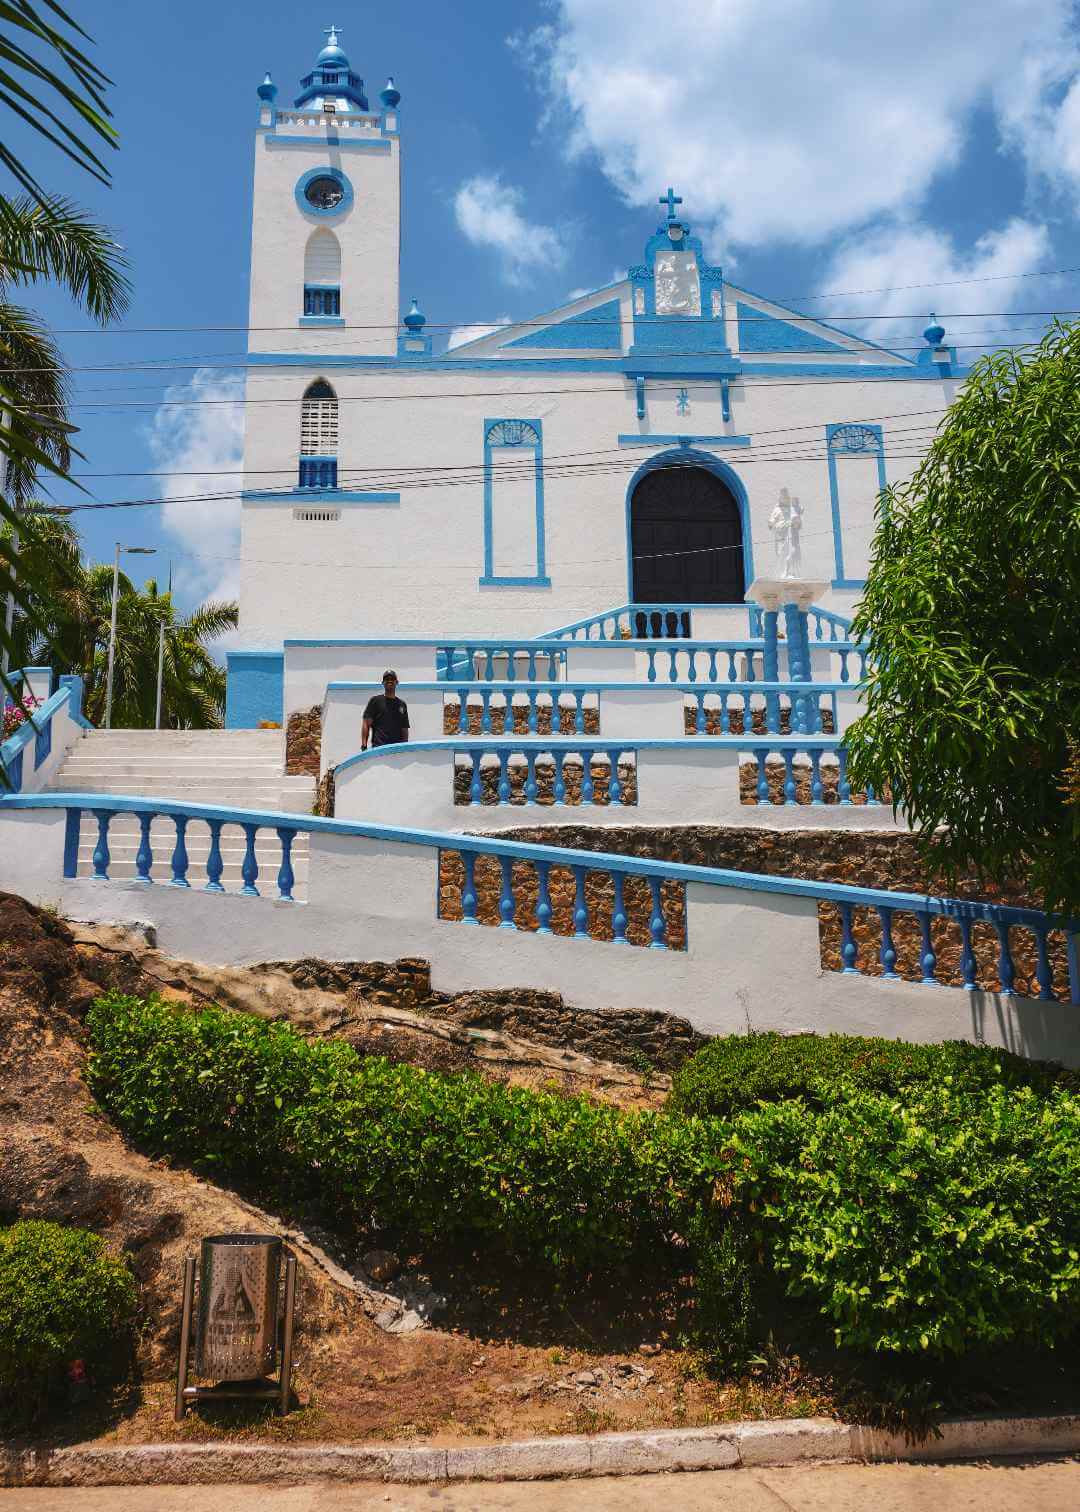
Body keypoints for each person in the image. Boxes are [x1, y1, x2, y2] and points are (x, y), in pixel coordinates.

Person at [362, 670, 410, 750]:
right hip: (379, 749)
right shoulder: (375, 701)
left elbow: (404, 729)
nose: (390, 681)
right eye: (387, 679)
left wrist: (404, 748)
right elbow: (366, 723)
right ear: (383, 682)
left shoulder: (402, 704)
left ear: (397, 682)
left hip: (396, 750)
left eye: (392, 679)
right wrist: (364, 745)